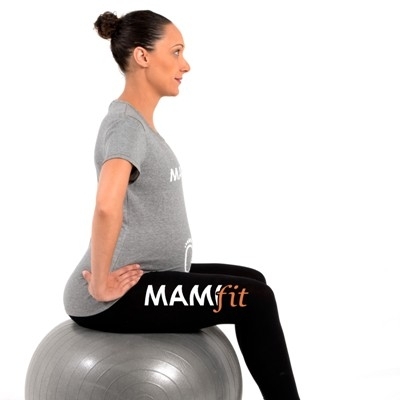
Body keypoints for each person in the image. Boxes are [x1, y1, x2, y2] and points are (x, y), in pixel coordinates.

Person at [63, 9, 301, 400]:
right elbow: (107, 203)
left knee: (254, 281)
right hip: (118, 297)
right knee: (255, 301)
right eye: (175, 52)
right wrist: (102, 282)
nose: (185, 65)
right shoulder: (126, 126)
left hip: (154, 276)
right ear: (143, 56)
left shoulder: (136, 124)